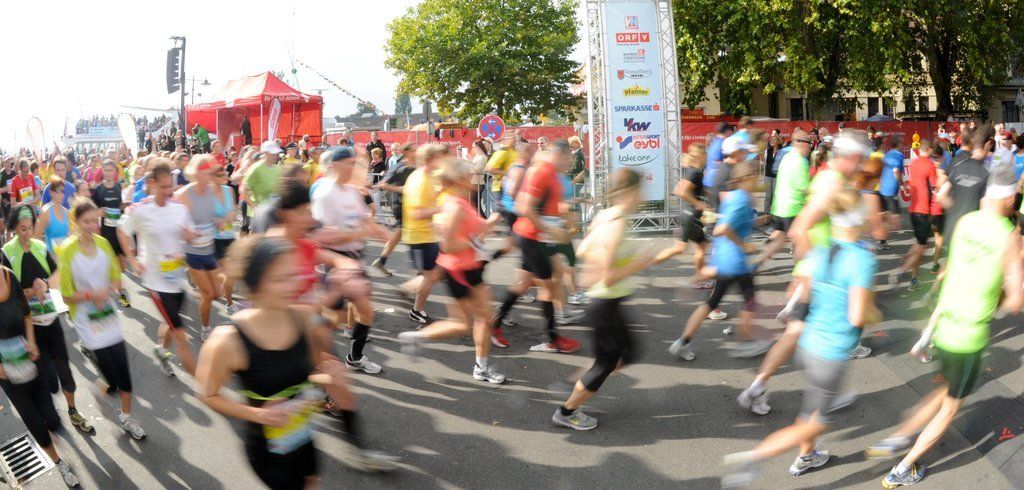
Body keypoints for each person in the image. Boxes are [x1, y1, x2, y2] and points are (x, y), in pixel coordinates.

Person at [195, 237, 397, 489]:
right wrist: (259, 414)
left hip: (303, 437)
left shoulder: (300, 317)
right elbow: (207, 395)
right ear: (255, 283)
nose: (293, 285)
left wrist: (328, 376)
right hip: (268, 449)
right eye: (280, 279)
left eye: (293, 275)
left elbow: (303, 368)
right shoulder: (228, 340)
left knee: (311, 483)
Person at [869, 164, 1023, 488]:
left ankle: (899, 437)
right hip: (968, 338)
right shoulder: (1009, 237)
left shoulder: (968, 222)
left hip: (944, 327)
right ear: (1010, 198)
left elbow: (951, 268)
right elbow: (1015, 302)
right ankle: (903, 469)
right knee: (950, 409)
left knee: (944, 390)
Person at [722, 188, 879, 487]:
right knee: (815, 422)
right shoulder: (862, 259)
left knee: (811, 412)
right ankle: (754, 457)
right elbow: (858, 316)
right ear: (859, 219)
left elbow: (805, 293)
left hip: (809, 345)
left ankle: (807, 455)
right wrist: (874, 311)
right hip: (832, 352)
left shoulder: (820, 250)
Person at [551, 168, 655, 431]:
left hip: (610, 302)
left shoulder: (607, 215)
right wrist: (640, 262)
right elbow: (609, 278)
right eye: (641, 190)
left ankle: (582, 381)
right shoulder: (615, 223)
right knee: (605, 363)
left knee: (631, 351)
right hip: (603, 303)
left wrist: (603, 260)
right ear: (631, 191)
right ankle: (567, 411)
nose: (643, 195)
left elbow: (584, 250)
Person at [398, 157, 506, 383]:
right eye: (469, 174)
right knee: (478, 320)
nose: (473, 177)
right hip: (461, 270)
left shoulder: (458, 201)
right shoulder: (455, 206)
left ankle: (416, 338)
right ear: (459, 178)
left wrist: (493, 219)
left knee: (468, 322)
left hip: (463, 268)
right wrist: (472, 243)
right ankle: (480, 367)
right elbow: (447, 244)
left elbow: (476, 228)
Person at [2, 204, 95, 434]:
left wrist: (45, 283)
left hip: (51, 321)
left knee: (65, 371)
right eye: (22, 229)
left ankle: (73, 411)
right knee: (49, 381)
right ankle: (50, 412)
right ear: (14, 229)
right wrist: (30, 292)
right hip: (29, 328)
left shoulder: (40, 247)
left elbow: (56, 274)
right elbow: (8, 296)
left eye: (30, 227)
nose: (27, 233)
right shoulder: (7, 253)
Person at [669, 157, 772, 361]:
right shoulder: (742, 199)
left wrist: (759, 221)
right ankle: (747, 344)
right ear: (747, 178)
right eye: (755, 176)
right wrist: (743, 245)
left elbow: (732, 222)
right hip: (735, 262)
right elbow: (722, 228)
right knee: (749, 302)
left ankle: (682, 342)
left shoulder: (734, 197)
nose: (757, 180)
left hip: (724, 259)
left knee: (711, 302)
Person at [59, 198, 145, 440]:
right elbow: (66, 296)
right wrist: (90, 295)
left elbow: (116, 277)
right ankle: (102, 390)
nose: (91, 225)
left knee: (124, 375)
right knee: (112, 381)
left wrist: (108, 289)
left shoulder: (104, 243)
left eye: (94, 221)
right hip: (88, 323)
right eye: (86, 221)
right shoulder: (67, 250)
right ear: (76, 222)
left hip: (109, 317)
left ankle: (126, 418)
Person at [0, 248, 82, 487]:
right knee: (35, 423)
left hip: (29, 358)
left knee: (53, 420)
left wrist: (32, 341)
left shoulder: (8, 276)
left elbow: (27, 314)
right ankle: (58, 462)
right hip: (7, 374)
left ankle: (53, 431)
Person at [495, 141, 582, 353]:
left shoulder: (552, 173)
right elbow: (524, 207)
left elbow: (550, 206)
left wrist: (566, 217)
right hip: (531, 237)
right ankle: (553, 340)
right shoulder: (542, 172)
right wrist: (552, 230)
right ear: (558, 155)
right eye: (568, 158)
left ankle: (493, 324)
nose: (570, 163)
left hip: (538, 237)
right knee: (549, 286)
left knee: (525, 284)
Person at [310, 146, 389, 374]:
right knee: (332, 317)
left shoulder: (352, 191)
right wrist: (354, 235)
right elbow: (320, 233)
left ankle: (354, 357)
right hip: (335, 259)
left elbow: (363, 219)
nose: (353, 168)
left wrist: (381, 231)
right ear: (335, 165)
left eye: (355, 163)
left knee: (365, 312)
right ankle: (312, 357)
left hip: (354, 259)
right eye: (349, 163)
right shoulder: (325, 193)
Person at [118, 160, 198, 377]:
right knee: (181, 336)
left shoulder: (179, 209)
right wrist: (132, 260)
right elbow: (122, 232)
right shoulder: (141, 210)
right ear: (152, 184)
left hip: (177, 279)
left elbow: (187, 233)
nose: (168, 191)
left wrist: (189, 236)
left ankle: (161, 349)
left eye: (170, 186)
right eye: (163, 187)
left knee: (171, 322)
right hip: (156, 282)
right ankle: (205, 385)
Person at [651, 144, 726, 316]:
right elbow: (680, 191)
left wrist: (706, 198)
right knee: (698, 247)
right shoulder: (695, 172)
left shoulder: (695, 171)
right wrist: (697, 203)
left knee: (684, 247)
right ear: (700, 156)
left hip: (687, 215)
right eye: (705, 155)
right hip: (690, 215)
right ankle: (698, 279)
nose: (707, 158)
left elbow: (695, 190)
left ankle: (650, 262)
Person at [175, 155, 223, 341]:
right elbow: (174, 224)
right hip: (192, 252)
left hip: (209, 249)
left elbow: (212, 215)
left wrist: (218, 221)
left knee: (216, 293)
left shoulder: (212, 191)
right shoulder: (184, 195)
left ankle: (195, 289)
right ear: (195, 173)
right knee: (209, 294)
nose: (209, 176)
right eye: (206, 173)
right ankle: (205, 328)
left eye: (211, 172)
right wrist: (185, 232)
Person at [401, 144, 448, 324]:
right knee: (431, 276)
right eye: (439, 157)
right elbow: (417, 213)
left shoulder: (427, 176)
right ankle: (416, 310)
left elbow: (429, 197)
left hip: (427, 235)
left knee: (436, 272)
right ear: (432, 159)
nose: (442, 161)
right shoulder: (420, 180)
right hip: (419, 237)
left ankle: (409, 291)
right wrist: (440, 209)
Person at [755, 129, 814, 268]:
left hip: (779, 207)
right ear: (800, 143)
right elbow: (805, 188)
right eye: (809, 143)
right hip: (793, 209)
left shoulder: (787, 157)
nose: (810, 147)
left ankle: (757, 263)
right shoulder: (800, 162)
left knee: (780, 239)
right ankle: (802, 273)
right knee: (802, 243)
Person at [893, 142, 945, 290]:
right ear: (928, 150)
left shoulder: (914, 163)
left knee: (919, 243)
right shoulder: (930, 165)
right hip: (924, 210)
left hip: (913, 209)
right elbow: (935, 187)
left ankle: (909, 269)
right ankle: (903, 270)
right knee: (922, 246)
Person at [370, 143, 416, 277]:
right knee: (413, 233)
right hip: (401, 205)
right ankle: (420, 267)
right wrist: (401, 189)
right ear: (406, 152)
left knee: (399, 233)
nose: (417, 153)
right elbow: (382, 184)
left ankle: (382, 261)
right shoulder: (399, 167)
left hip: (411, 204)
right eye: (414, 150)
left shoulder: (415, 167)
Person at [90, 160, 130, 307]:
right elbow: (92, 210)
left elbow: (121, 207)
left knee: (122, 266)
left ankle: (113, 286)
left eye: (110, 170)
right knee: (114, 267)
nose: (108, 173)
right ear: (102, 171)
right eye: (105, 170)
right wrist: (98, 212)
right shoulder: (98, 189)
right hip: (106, 233)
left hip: (120, 231)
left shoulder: (119, 187)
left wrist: (125, 206)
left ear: (115, 172)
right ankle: (121, 296)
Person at [212, 165, 241, 313]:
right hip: (214, 238)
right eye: (221, 175)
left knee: (233, 271)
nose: (225, 178)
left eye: (225, 175)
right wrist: (216, 221)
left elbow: (234, 209)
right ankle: (230, 304)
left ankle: (216, 281)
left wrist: (230, 216)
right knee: (229, 273)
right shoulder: (206, 194)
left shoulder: (229, 190)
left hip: (230, 236)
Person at [877, 135, 905, 250]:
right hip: (890, 191)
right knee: (895, 219)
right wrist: (902, 184)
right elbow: (896, 171)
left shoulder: (887, 154)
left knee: (885, 216)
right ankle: (881, 239)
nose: (903, 145)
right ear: (898, 144)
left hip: (882, 189)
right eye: (902, 143)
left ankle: (882, 242)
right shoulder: (899, 155)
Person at [35, 176, 72, 253]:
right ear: (51, 193)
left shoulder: (67, 212)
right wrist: (47, 255)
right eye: (59, 191)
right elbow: (37, 237)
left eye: (63, 191)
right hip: (52, 257)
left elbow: (70, 236)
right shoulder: (45, 212)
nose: (62, 195)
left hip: (66, 256)